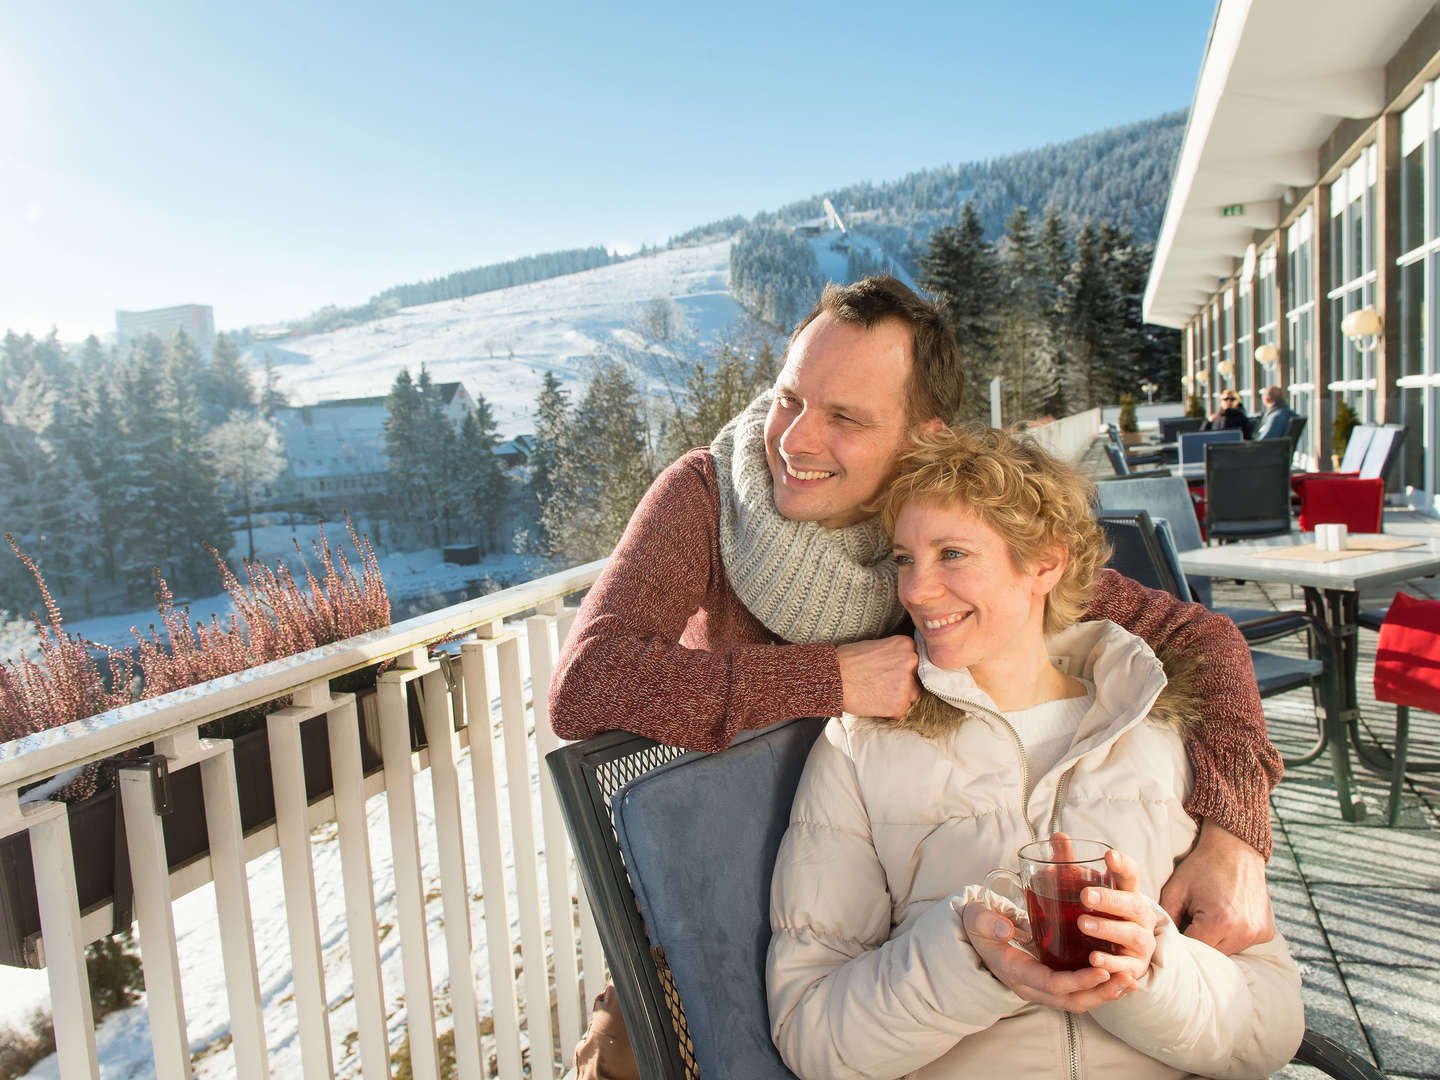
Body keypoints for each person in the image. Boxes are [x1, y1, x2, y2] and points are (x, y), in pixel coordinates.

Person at [551, 276, 1282, 1077]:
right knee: (624, 1057)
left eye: (845, 418)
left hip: (897, 885)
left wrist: (1235, 836)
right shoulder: (709, 494)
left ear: (920, 436)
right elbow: (588, 683)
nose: (795, 440)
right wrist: (827, 679)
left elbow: (1203, 640)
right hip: (722, 902)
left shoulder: (944, 526)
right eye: (790, 399)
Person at [767, 426, 1303, 1079]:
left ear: (1045, 564)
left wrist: (1152, 970)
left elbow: (1268, 1028)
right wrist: (969, 959)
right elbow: (812, 1036)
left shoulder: (1169, 730)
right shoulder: (861, 746)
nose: (915, 590)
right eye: (905, 558)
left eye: (953, 554)